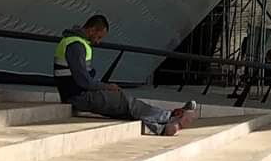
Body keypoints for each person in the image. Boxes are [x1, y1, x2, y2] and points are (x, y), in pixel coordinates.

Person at [53, 14, 200, 133]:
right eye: (99, 37)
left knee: (124, 108)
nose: (98, 42)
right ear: (91, 30)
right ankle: (170, 116)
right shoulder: (76, 46)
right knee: (123, 101)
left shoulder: (75, 43)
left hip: (78, 93)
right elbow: (83, 81)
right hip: (78, 95)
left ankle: (162, 128)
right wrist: (106, 87)